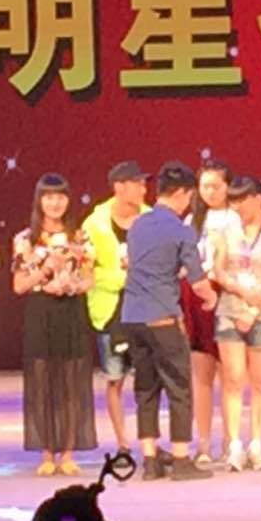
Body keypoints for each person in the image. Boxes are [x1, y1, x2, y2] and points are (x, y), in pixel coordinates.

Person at [120, 160, 218, 481]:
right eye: (189, 196)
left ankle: (150, 460)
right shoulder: (180, 230)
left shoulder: (137, 224)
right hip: (162, 315)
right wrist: (211, 299)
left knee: (145, 387)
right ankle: (180, 458)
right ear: (181, 193)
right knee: (179, 387)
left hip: (132, 316)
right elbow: (197, 280)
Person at [12, 174, 98, 477]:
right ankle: (47, 452)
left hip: (71, 311)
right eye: (49, 197)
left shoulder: (80, 237)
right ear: (39, 201)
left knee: (71, 383)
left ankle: (68, 453)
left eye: (60, 196)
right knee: (42, 382)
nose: (55, 203)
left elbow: (90, 279)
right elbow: (19, 285)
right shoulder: (26, 239)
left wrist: (71, 286)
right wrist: (45, 273)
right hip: (41, 312)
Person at [213, 176, 261, 472]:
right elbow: (219, 270)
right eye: (232, 201)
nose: (236, 206)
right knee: (233, 378)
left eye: (241, 200)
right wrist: (239, 291)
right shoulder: (225, 231)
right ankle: (234, 444)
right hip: (230, 310)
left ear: (258, 199)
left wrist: (254, 309)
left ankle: (257, 443)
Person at [81, 161, 150, 455]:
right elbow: (88, 273)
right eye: (137, 183)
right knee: (114, 378)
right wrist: (123, 277)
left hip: (146, 308)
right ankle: (123, 442)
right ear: (119, 187)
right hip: (110, 311)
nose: (143, 189)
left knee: (148, 379)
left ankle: (149, 441)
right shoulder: (94, 223)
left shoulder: (151, 218)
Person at [183, 159, 234, 464]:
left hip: (228, 295)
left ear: (228, 187)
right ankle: (203, 442)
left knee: (230, 376)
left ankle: (230, 441)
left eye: (216, 186)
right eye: (205, 186)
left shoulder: (236, 218)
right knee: (201, 375)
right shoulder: (192, 221)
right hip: (198, 298)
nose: (210, 192)